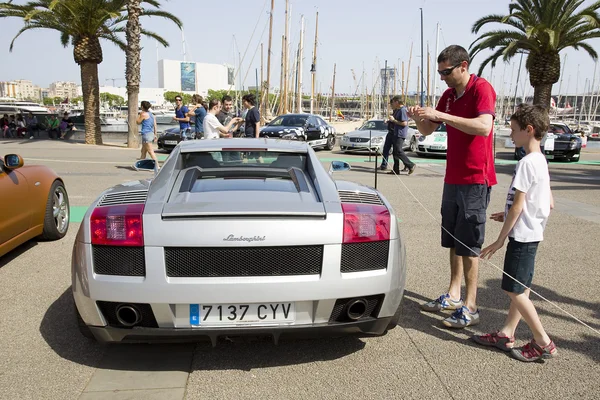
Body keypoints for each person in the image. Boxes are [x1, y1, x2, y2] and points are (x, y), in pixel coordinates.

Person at [408, 44, 497, 328]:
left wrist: (443, 116)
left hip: (475, 179)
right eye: (440, 72)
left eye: (446, 71)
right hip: (453, 178)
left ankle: (471, 306)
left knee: (469, 243)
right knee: (453, 239)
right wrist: (418, 119)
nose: (443, 77)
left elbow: (484, 126)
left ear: (463, 66)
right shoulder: (448, 96)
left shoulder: (482, 89)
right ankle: (454, 294)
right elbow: (427, 131)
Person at [474, 104, 557, 362]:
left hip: (521, 236)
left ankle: (543, 341)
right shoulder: (540, 161)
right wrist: (508, 211)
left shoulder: (525, 163)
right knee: (522, 288)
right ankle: (506, 333)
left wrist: (499, 240)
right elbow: (547, 202)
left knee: (514, 290)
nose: (510, 135)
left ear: (528, 130)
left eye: (513, 130)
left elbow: (520, 205)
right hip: (531, 233)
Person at [386, 96, 416, 175]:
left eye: (393, 102)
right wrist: (390, 121)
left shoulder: (402, 110)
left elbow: (404, 123)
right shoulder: (399, 110)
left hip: (400, 133)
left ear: (397, 102)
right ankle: (396, 170)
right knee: (395, 152)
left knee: (398, 150)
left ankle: (410, 165)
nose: (392, 104)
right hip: (397, 133)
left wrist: (394, 120)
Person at [136, 100, 159, 166]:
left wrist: (139, 115)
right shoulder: (151, 115)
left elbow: (138, 122)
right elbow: (155, 125)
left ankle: (157, 166)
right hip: (150, 134)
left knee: (151, 151)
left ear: (142, 107)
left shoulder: (143, 114)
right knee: (143, 151)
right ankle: (140, 165)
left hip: (146, 134)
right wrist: (155, 135)